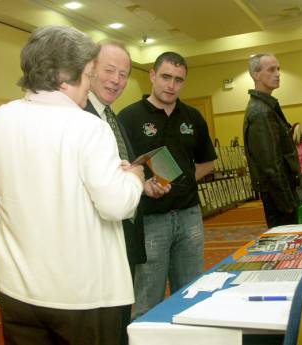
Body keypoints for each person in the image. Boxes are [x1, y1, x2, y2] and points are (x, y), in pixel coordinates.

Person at [0, 26, 145, 345]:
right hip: (84, 296)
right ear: (66, 77)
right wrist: (133, 177)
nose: (90, 84)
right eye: (90, 73)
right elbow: (116, 205)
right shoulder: (88, 127)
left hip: (18, 291)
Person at [117, 52, 217, 317]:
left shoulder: (193, 117)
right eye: (165, 77)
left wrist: (181, 182)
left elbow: (208, 162)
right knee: (147, 300)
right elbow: (120, 167)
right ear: (152, 75)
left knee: (191, 294)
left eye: (178, 79)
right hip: (150, 220)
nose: (171, 85)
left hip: (190, 216)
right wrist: (145, 184)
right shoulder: (128, 117)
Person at [84, 40, 170, 344]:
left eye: (123, 74)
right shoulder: (81, 119)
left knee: (120, 321)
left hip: (126, 237)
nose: (116, 80)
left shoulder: (110, 116)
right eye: (109, 70)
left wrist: (142, 186)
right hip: (100, 243)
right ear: (89, 70)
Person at [243, 53, 301, 228]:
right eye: (271, 69)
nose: (277, 74)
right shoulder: (261, 112)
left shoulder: (266, 107)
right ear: (256, 74)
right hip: (278, 196)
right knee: (288, 247)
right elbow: (270, 164)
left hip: (281, 192)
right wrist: (287, 202)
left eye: (278, 69)